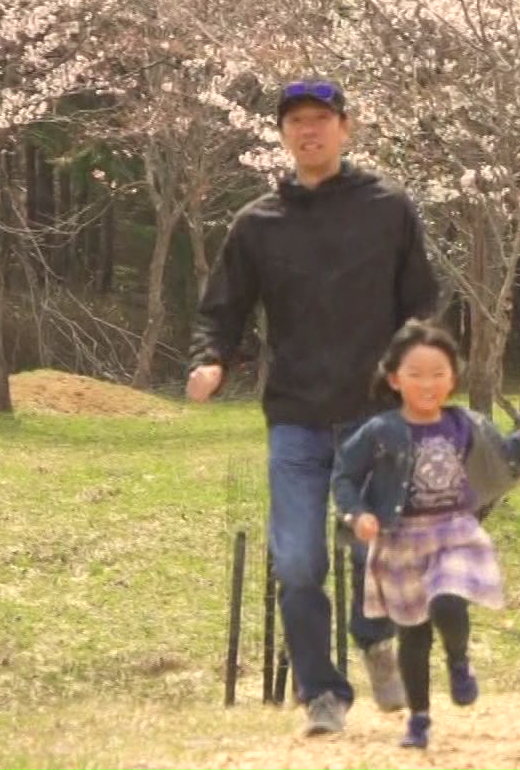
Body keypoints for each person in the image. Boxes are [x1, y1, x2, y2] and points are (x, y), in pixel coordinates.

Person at [187, 78, 439, 736]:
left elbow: (422, 302)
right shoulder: (257, 224)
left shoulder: (388, 207)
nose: (309, 131)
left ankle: (376, 639)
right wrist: (211, 359)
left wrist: (417, 374)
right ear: (282, 135)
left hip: (374, 416)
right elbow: (224, 310)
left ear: (345, 128)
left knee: (374, 548)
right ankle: (322, 693)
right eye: (296, 121)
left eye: (321, 119)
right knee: (298, 562)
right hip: (295, 416)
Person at [333, 321, 520, 749]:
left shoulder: (465, 424)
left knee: (448, 599)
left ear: (453, 379)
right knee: (413, 634)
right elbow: (345, 475)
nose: (427, 383)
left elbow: (505, 455)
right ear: (395, 379)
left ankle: (458, 659)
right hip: (401, 541)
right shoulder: (381, 430)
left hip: (453, 534)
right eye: (415, 374)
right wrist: (357, 515)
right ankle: (419, 719)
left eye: (438, 374)